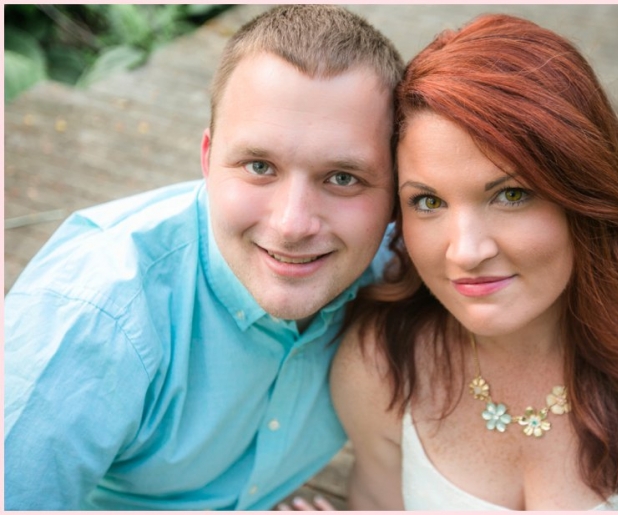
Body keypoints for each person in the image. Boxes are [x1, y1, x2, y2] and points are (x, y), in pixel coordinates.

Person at [331, 13, 618, 511]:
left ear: (586, 193)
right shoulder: (380, 365)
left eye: (511, 194)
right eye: (428, 202)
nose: (466, 252)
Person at [4, 5, 403, 510]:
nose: (292, 225)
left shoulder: (408, 273)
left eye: (343, 178)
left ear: (396, 190)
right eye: (259, 166)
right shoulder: (92, 320)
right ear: (208, 158)